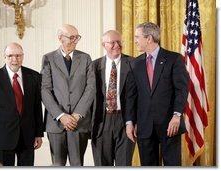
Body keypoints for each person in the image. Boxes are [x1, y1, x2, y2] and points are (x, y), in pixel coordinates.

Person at [125, 22, 189, 166]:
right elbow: (131, 96)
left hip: (170, 124)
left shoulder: (174, 59)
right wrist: (130, 122)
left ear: (149, 38)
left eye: (137, 37)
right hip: (144, 126)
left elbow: (182, 90)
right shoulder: (135, 64)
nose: (135, 40)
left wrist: (177, 116)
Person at [0, 42, 44, 166]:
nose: (14, 59)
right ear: (4, 57)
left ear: (23, 56)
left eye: (18, 55)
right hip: (2, 138)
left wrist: (38, 134)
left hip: (28, 137)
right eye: (10, 56)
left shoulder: (34, 76)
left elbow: (37, 107)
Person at [41, 24, 96, 166]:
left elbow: (90, 88)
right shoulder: (48, 58)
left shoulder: (85, 58)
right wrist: (61, 116)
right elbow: (45, 90)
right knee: (58, 165)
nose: (75, 41)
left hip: (79, 123)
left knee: (77, 165)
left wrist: (77, 115)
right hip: (56, 123)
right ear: (60, 38)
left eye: (77, 38)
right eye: (71, 38)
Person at [91, 30, 134, 166]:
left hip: (126, 121)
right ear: (104, 45)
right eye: (112, 42)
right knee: (102, 165)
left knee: (124, 164)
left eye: (119, 42)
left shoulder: (134, 63)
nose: (117, 45)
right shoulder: (93, 66)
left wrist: (133, 121)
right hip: (102, 121)